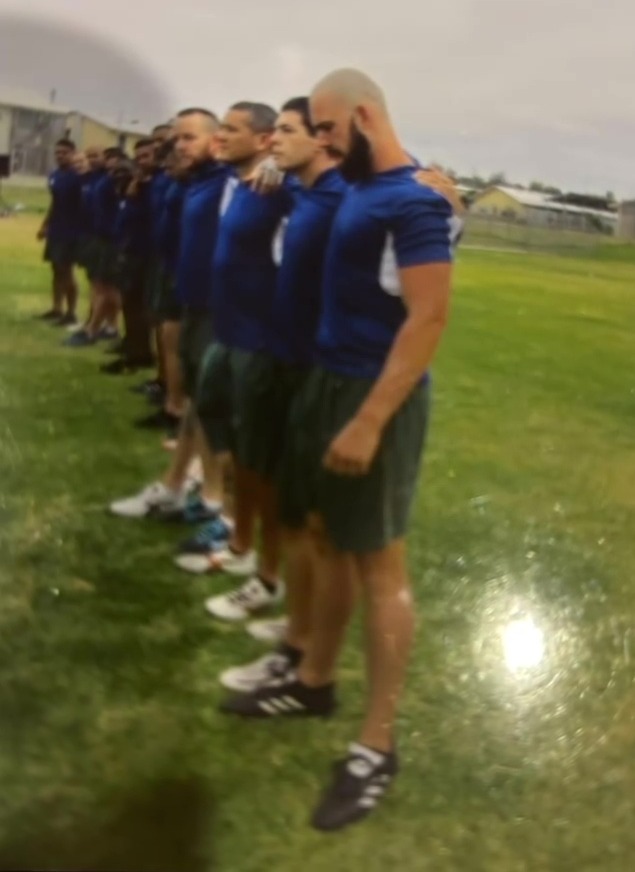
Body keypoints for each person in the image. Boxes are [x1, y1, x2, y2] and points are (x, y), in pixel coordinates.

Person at [220, 68, 457, 833]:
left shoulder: (414, 198)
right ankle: (313, 680)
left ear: (360, 115)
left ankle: (375, 747)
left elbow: (425, 321)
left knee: (378, 565)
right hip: (324, 384)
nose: (320, 142)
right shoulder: (358, 187)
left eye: (325, 128)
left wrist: (368, 420)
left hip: (369, 396)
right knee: (321, 537)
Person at [175, 102, 292, 620]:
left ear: (265, 140)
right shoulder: (238, 183)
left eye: (231, 129)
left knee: (257, 454)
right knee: (226, 437)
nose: (220, 137)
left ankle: (262, 562)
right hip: (226, 330)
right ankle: (238, 541)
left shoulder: (279, 188)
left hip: (257, 340)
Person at [109, 108, 231, 527]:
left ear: (216, 141)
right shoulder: (195, 182)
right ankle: (180, 484)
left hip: (221, 310)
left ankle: (210, 496)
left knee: (213, 406)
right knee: (201, 402)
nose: (179, 147)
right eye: (177, 139)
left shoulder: (230, 180)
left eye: (189, 138)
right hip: (193, 302)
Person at [63, 147, 125, 347]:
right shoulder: (97, 179)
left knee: (106, 287)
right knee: (99, 285)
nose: (94, 160)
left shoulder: (113, 180)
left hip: (109, 239)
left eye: (96, 156)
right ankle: (108, 326)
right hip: (95, 236)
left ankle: (93, 329)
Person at [36, 138, 82, 326]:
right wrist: (45, 225)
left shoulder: (77, 176)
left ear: (73, 154)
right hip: (56, 228)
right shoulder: (54, 175)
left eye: (64, 152)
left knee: (66, 270)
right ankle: (57, 308)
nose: (60, 156)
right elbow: (54, 202)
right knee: (55, 269)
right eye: (57, 153)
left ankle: (71, 313)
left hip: (71, 230)